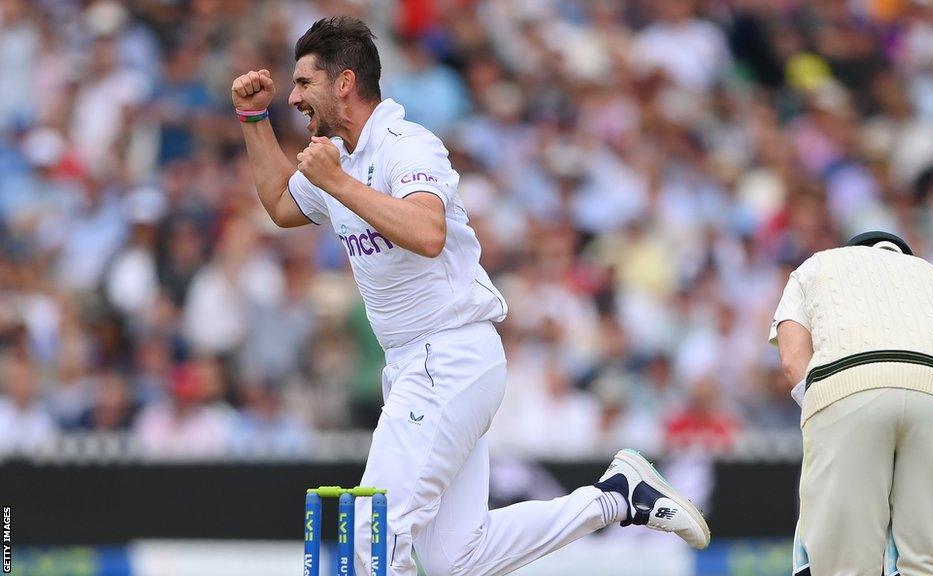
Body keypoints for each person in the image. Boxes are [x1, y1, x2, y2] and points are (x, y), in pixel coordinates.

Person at [230, 16, 709, 576]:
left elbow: (428, 234)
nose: (293, 96)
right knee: (457, 556)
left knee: (370, 529)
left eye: (304, 84)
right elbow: (281, 206)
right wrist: (253, 118)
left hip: (449, 355)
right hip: (418, 364)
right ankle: (615, 498)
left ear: (344, 83)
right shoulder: (336, 158)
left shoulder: (407, 145)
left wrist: (338, 184)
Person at [770, 231, 933, 576]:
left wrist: (825, 413)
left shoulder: (818, 266)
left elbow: (792, 358)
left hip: (849, 387)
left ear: (853, 251)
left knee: (844, 563)